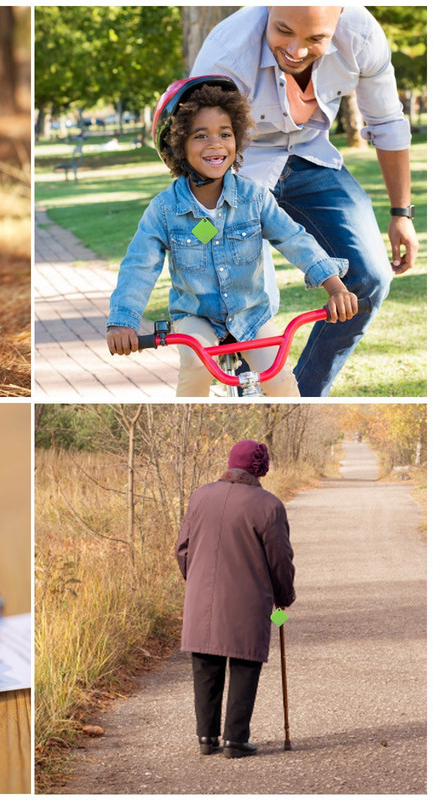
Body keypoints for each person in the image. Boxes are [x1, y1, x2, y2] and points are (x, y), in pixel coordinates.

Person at [191, 7, 418, 396]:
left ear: (339, 17)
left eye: (316, 39)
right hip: (236, 169)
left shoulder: (361, 37)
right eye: (283, 31)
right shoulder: (226, 55)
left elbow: (387, 123)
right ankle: (248, 389)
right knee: (243, 298)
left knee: (370, 278)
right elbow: (194, 148)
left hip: (311, 155)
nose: (296, 50)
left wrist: (402, 214)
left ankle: (303, 396)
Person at [106, 76, 357, 397]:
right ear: (176, 144)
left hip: (250, 314)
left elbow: (294, 239)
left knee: (280, 380)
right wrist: (122, 322)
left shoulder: (254, 199)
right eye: (200, 135)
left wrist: (335, 287)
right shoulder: (165, 210)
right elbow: (138, 267)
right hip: (196, 317)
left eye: (225, 134)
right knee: (196, 367)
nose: (216, 144)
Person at [176, 440, 296, 759]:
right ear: (261, 468)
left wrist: (196, 581)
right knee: (244, 663)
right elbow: (280, 559)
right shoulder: (269, 506)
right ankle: (235, 740)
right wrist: (284, 595)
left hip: (201, 599)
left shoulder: (200, 496)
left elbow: (182, 549)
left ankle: (206, 737)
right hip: (248, 601)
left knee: (206, 665)